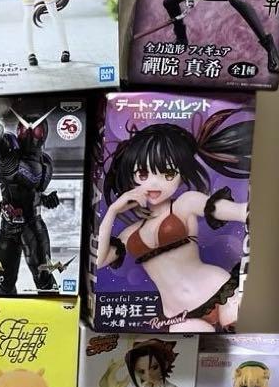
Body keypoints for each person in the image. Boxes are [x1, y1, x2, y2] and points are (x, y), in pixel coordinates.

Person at [96, 110, 252, 331]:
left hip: (220, 291)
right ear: (131, 176)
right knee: (193, 347)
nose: (154, 184)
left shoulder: (185, 203)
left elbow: (232, 210)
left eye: (168, 174)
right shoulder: (129, 234)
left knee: (234, 345)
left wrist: (248, 211)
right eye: (143, 174)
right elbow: (98, 261)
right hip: (177, 315)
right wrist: (112, 210)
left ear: (181, 175)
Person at [0, 103, 60, 294]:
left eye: (35, 130)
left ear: (43, 134)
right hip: (8, 227)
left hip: (33, 226)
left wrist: (46, 200)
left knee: (45, 281)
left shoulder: (45, 163)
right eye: (25, 129)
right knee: (5, 284)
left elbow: (33, 192)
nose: (29, 135)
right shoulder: (10, 152)